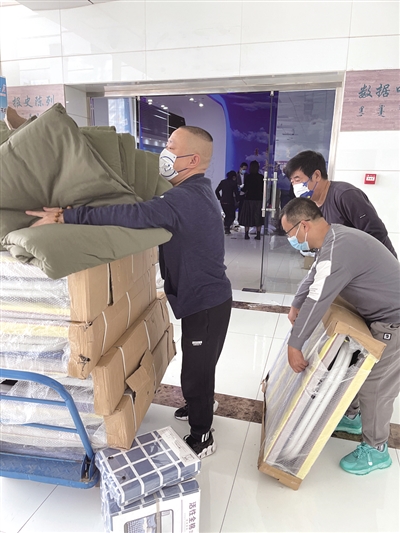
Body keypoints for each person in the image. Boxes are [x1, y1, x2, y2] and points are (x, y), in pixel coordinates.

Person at [26, 125, 233, 459]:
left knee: (196, 370)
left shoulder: (183, 198)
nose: (164, 152)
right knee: (201, 362)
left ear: (193, 160)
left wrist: (68, 215)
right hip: (209, 299)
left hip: (206, 303)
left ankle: (202, 434)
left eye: (171, 147)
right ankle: (199, 402)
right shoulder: (198, 190)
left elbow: (132, 215)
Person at [280, 197, 400, 475]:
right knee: (359, 369)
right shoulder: (334, 239)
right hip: (379, 317)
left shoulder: (339, 248)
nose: (290, 239)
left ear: (304, 226)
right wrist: (296, 302)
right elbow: (315, 275)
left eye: (289, 233)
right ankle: (353, 417)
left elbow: (318, 298)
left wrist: (295, 344)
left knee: (376, 386)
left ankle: (377, 449)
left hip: (394, 321)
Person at [284, 150, 397, 257]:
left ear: (317, 175)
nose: (295, 187)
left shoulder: (345, 195)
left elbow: (376, 233)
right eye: (292, 182)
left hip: (375, 263)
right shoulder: (312, 205)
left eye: (297, 180)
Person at [238, 160, 264, 240]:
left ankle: (246, 234)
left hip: (249, 199)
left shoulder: (248, 177)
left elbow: (245, 188)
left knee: (248, 216)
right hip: (259, 199)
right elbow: (263, 189)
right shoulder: (261, 177)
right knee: (258, 216)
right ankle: (258, 234)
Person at [215, 170, 240, 235]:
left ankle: (226, 228)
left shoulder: (223, 182)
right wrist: (238, 200)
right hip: (230, 201)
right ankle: (227, 227)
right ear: (233, 177)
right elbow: (236, 193)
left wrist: (219, 198)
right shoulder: (234, 183)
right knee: (232, 216)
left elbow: (217, 190)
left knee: (227, 215)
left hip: (223, 201)